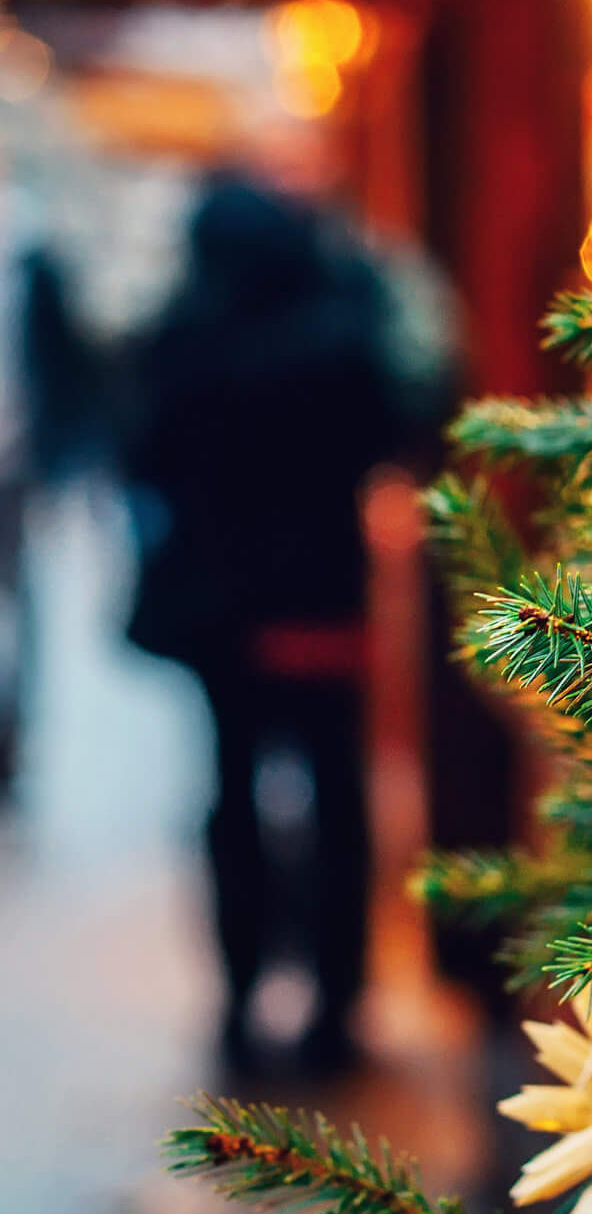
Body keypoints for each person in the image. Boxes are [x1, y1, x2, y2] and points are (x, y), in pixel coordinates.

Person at [121, 176, 419, 1077]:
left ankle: (242, 991)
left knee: (232, 792)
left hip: (224, 611)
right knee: (334, 792)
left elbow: (144, 453)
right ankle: (337, 1000)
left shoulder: (185, 334)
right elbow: (393, 433)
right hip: (320, 601)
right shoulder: (338, 329)